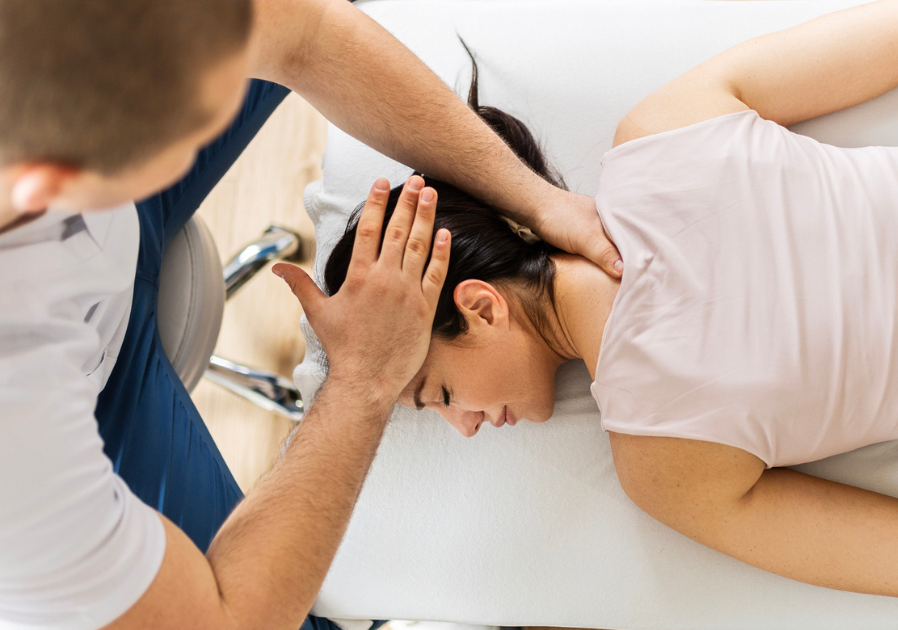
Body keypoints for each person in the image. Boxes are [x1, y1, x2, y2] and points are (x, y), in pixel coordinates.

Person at [321, 0, 898, 611]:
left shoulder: (669, 469)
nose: (468, 427)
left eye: (438, 395)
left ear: (477, 306)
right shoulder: (664, 134)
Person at [0, 1, 621, 629]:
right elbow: (230, 621)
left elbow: (306, 36)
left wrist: (538, 202)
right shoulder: (21, 457)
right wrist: (363, 378)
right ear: (52, 182)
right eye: (178, 137)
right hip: (92, 396)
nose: (460, 425)